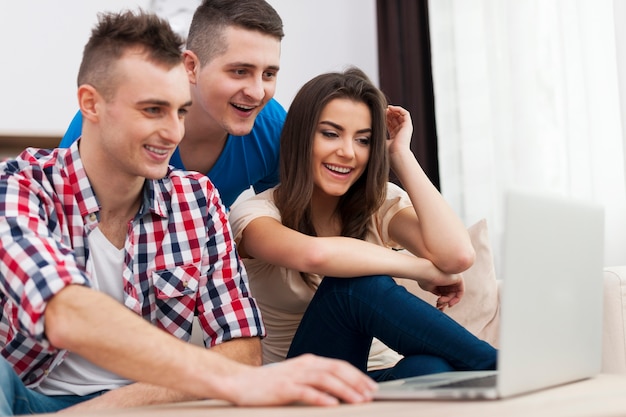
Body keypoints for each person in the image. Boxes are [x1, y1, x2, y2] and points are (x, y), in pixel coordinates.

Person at [0, 12, 377, 415]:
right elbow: (65, 311)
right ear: (91, 104)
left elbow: (242, 351)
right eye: (152, 110)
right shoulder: (19, 187)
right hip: (25, 396)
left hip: (149, 403)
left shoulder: (199, 198)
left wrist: (98, 410)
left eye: (181, 111)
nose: (173, 133)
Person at [228, 67, 498, 381]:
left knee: (431, 370)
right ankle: (498, 365)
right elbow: (315, 255)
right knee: (352, 285)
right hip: (300, 382)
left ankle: (496, 369)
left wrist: (400, 154)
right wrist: (422, 269)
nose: (347, 152)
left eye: (364, 140)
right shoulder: (255, 214)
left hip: (371, 378)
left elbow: (458, 256)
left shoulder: (378, 203)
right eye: (330, 134)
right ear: (301, 137)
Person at [59, 0, 286, 209]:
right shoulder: (112, 115)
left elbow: (285, 213)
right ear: (190, 66)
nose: (257, 93)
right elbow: (61, 200)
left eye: (268, 74)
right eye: (239, 71)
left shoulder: (274, 129)